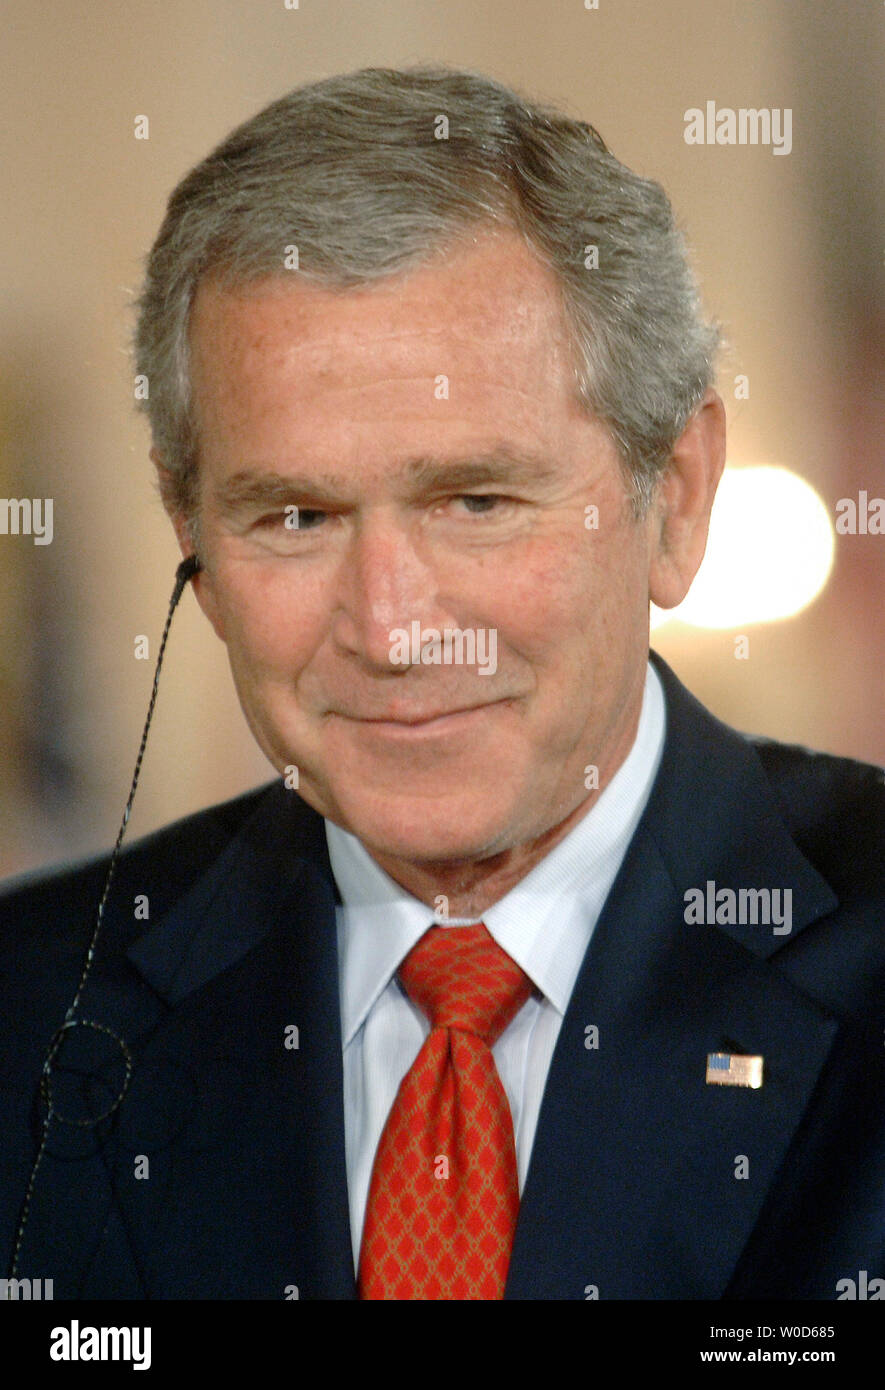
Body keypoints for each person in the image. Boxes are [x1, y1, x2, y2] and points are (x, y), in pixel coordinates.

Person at [1, 66, 882, 1303]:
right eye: (296, 515)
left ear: (674, 496)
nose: (392, 628)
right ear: (191, 540)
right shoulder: (31, 1012)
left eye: (476, 500)